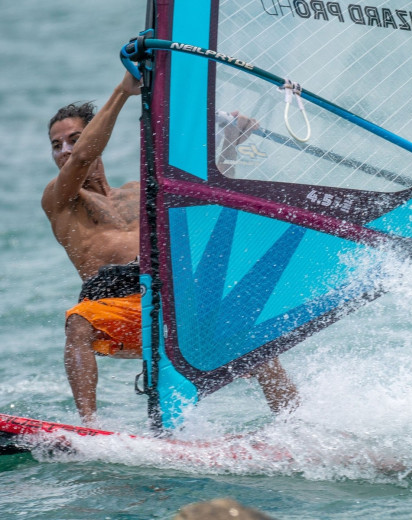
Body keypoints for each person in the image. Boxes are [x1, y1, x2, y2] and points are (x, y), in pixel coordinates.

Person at [42, 71, 298, 425]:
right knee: (78, 323)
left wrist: (231, 144)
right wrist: (123, 91)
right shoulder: (59, 198)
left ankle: (297, 426)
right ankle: (88, 426)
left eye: (74, 139)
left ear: (95, 136)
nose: (65, 150)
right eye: (57, 145)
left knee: (253, 339)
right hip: (121, 308)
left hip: (176, 302)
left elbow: (205, 208)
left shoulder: (138, 190)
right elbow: (82, 160)